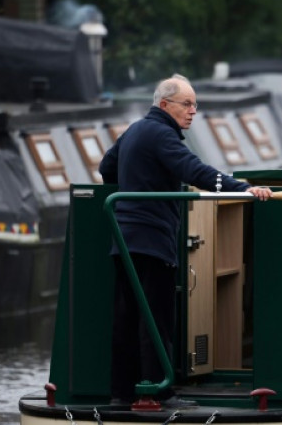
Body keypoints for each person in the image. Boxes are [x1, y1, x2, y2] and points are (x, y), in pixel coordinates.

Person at [99, 74, 272, 405]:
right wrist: (243, 189)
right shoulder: (163, 135)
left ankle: (120, 395)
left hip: (123, 237)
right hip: (151, 238)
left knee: (128, 317)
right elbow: (195, 171)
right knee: (156, 318)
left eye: (196, 104)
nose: (193, 111)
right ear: (165, 105)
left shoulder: (136, 130)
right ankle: (159, 393)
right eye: (187, 104)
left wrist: (132, 190)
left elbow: (107, 167)